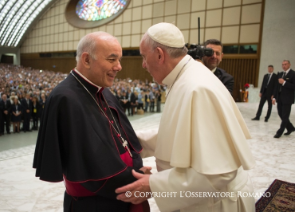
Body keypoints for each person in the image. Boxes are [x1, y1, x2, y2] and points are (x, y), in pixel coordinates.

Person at [115, 23, 255, 212]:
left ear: (159, 54)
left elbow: (219, 173)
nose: (143, 64)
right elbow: (181, 134)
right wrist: (132, 143)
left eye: (143, 56)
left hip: (215, 204)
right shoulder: (184, 77)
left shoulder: (197, 87)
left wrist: (154, 185)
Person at [33, 32, 149, 212]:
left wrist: (136, 169)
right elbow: (89, 169)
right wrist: (136, 180)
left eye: (119, 60)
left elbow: (123, 139)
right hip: (95, 204)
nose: (118, 67)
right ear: (86, 60)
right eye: (112, 59)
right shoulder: (65, 99)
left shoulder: (103, 90)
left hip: (121, 191)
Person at [272, 60, 295, 138]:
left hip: (288, 99)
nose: (284, 66)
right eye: (282, 64)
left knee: (285, 116)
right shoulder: (281, 74)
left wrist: (284, 82)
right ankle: (290, 128)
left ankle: (279, 132)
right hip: (280, 98)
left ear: (289, 64)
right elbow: (277, 86)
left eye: (285, 64)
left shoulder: (293, 74)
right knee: (280, 114)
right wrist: (274, 97)